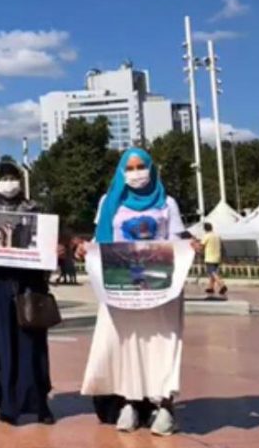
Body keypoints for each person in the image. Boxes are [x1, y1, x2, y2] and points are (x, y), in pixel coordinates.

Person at [77, 148, 190, 436]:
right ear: (121, 171)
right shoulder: (109, 202)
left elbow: (178, 239)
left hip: (160, 288)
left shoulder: (167, 203)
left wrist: (192, 247)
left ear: (151, 169)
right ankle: (129, 401)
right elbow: (100, 239)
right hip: (121, 288)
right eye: (131, 167)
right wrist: (84, 249)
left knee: (162, 344)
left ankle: (165, 403)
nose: (136, 173)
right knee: (125, 342)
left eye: (141, 166)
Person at [0, 160, 54, 425]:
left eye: (13, 176)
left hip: (29, 286)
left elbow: (48, 247)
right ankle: (7, 401)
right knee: (1, 344)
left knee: (33, 344)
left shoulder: (35, 210)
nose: (9, 182)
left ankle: (39, 402)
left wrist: (57, 253)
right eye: (4, 177)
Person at [202, 223, 226, 297]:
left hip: (210, 257)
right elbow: (222, 246)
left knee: (212, 272)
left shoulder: (206, 236)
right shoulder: (217, 235)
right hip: (217, 257)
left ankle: (222, 285)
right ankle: (211, 288)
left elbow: (202, 245)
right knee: (214, 272)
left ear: (205, 229)